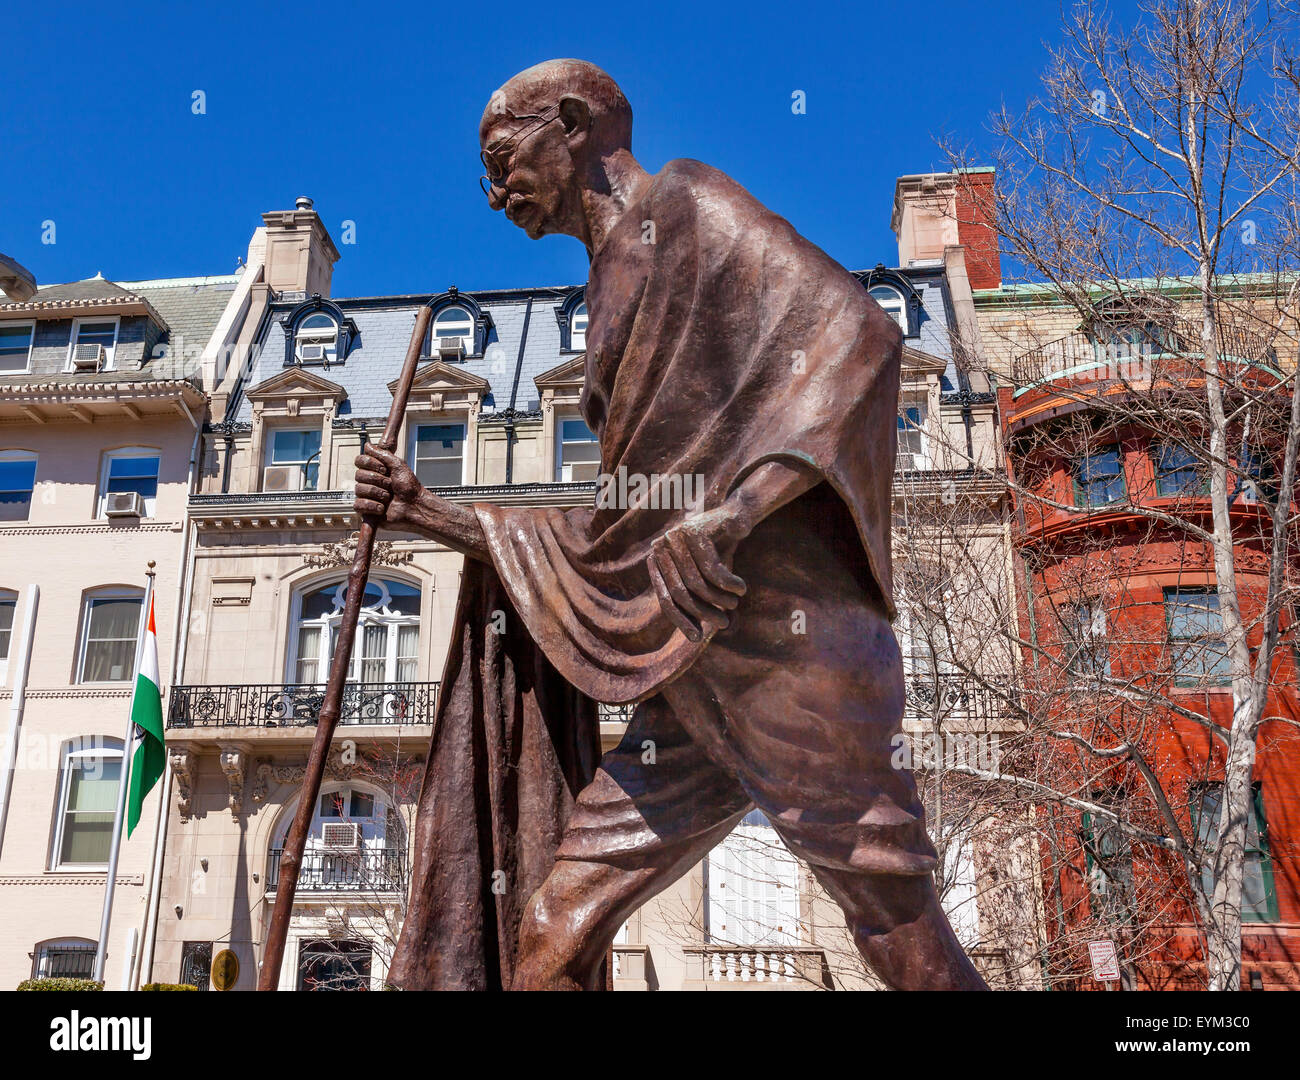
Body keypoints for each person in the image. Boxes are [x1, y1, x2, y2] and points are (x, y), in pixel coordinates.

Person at [358, 59, 986, 991]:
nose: (494, 195)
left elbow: (855, 338)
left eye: (502, 160)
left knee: (895, 925)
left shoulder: (685, 203)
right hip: (689, 677)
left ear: (571, 123)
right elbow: (623, 527)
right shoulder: (601, 284)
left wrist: (734, 516)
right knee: (554, 928)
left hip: (789, 649)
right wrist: (430, 512)